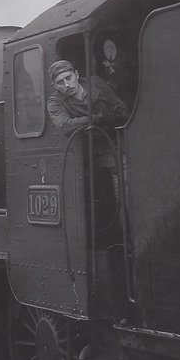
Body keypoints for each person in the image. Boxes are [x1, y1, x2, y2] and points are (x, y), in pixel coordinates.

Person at [46, 59, 128, 231]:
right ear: (55, 86)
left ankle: (129, 231)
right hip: (87, 155)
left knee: (125, 192)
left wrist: (111, 117)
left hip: (113, 144)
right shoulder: (54, 102)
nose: (67, 85)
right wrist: (96, 118)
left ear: (76, 74)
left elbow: (120, 108)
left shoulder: (96, 83)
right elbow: (66, 125)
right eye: (60, 82)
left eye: (68, 78)